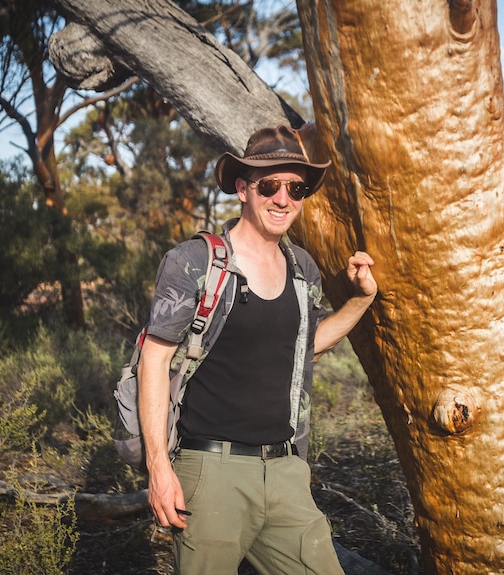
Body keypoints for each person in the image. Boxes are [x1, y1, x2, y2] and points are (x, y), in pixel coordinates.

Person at [137, 124, 378, 574]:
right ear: (244, 190)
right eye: (270, 186)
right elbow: (155, 359)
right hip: (210, 473)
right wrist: (158, 469)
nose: (283, 199)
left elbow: (307, 345)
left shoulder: (302, 267)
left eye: (296, 188)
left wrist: (362, 299)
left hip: (286, 470)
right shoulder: (195, 262)